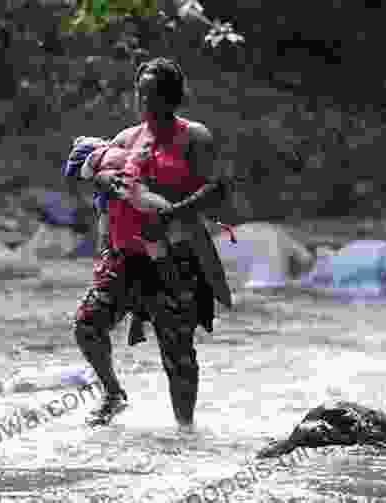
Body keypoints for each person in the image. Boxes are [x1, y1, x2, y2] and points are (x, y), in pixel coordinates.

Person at [72, 57, 233, 430]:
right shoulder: (127, 138)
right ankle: (113, 393)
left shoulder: (194, 137)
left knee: (177, 353)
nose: (144, 100)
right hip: (127, 255)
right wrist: (105, 183)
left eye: (153, 93)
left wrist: (174, 212)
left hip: (176, 258)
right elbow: (96, 175)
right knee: (87, 325)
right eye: (140, 92)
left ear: (172, 97)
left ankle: (185, 428)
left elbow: (217, 189)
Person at [64, 136, 149, 346]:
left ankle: (137, 318)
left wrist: (106, 252)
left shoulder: (105, 182)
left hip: (128, 253)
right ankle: (138, 318)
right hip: (146, 247)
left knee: (85, 326)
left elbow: (108, 232)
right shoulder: (126, 164)